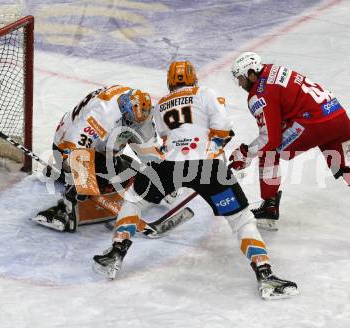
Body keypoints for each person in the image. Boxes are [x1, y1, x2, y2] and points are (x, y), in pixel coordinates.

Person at [92, 61, 299, 300]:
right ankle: (265, 275)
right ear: (194, 79)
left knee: (133, 200)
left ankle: (115, 254)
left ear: (170, 81)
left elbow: (166, 138)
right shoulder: (206, 93)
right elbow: (222, 128)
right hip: (208, 168)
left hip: (169, 167)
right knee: (241, 219)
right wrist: (218, 145)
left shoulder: (161, 105)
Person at [229, 51, 350, 237]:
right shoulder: (274, 70)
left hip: (314, 124)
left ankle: (269, 207)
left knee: (269, 152)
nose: (241, 84)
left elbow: (270, 139)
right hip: (338, 117)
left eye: (242, 79)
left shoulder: (258, 95)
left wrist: (245, 154)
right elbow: (287, 104)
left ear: (252, 73)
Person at [32, 85, 164, 235]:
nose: (134, 125)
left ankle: (62, 173)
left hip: (100, 147)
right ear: (124, 110)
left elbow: (148, 146)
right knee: (94, 181)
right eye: (130, 120)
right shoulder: (104, 113)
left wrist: (163, 171)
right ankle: (63, 180)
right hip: (67, 145)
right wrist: (81, 177)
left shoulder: (140, 111)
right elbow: (76, 144)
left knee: (127, 171)